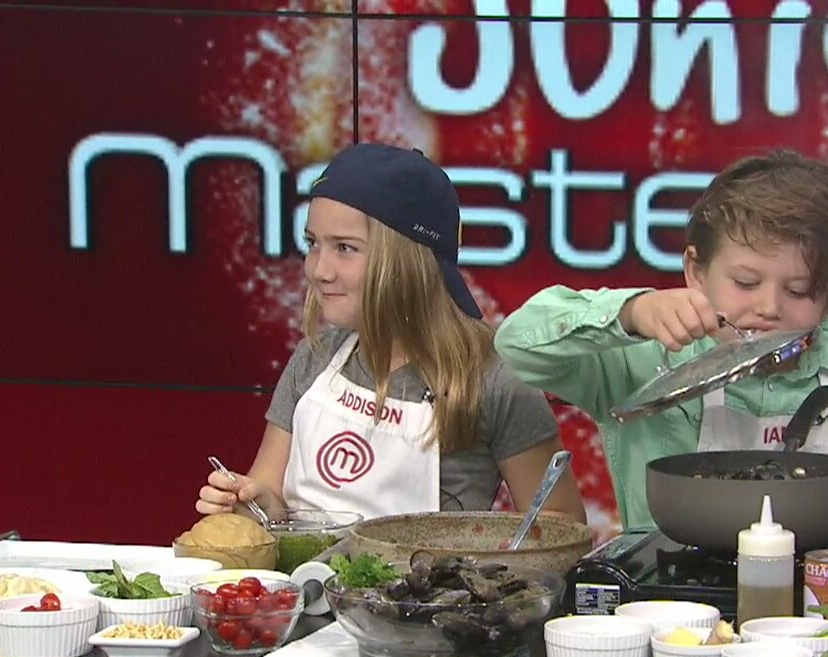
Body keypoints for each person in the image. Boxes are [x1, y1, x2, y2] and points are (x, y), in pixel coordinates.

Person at [494, 149, 828, 532]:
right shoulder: (643, 351)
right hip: (669, 579)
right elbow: (516, 347)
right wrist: (631, 313)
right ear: (695, 271)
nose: (769, 307)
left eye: (799, 290)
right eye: (746, 282)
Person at [196, 143, 586, 524]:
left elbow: (561, 523)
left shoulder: (493, 381)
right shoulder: (314, 358)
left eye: (345, 248)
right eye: (312, 243)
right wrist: (252, 506)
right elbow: (270, 492)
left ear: (408, 259)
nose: (319, 270)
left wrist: (488, 556)